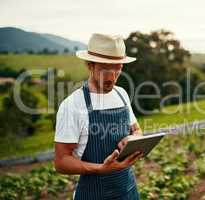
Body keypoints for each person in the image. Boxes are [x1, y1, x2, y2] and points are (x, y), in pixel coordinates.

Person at [54, 33, 143, 200]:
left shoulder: (121, 94)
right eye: (105, 69)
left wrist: (133, 138)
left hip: (129, 191)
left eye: (117, 69)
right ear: (90, 65)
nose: (111, 77)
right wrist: (100, 169)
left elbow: (136, 129)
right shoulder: (73, 105)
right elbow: (61, 162)